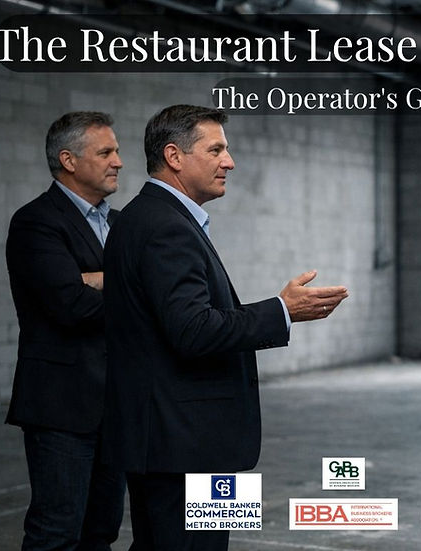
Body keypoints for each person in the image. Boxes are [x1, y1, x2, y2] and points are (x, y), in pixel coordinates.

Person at [101, 104, 349, 551]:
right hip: (184, 444)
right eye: (216, 149)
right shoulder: (164, 226)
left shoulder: (150, 217)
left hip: (177, 439)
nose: (229, 161)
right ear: (174, 156)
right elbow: (192, 330)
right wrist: (281, 310)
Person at [5, 111, 126, 551]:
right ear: (69, 160)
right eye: (106, 152)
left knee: (101, 533)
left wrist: (94, 277)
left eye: (117, 150)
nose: (118, 161)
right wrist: (125, 281)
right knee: (56, 534)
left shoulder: (117, 223)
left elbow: (140, 289)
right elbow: (70, 305)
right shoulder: (36, 222)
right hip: (61, 407)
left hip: (113, 405)